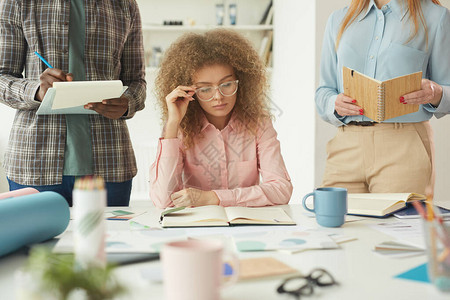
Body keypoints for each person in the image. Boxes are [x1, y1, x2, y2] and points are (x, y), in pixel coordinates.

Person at [0, 0, 146, 206]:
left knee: (108, 239)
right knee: (37, 240)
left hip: (110, 163)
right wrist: (37, 91)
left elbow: (137, 82)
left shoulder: (125, 5)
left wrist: (127, 103)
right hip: (34, 164)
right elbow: (2, 76)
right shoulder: (19, 2)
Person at [316, 0, 449, 194]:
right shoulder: (339, 19)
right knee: (335, 222)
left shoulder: (436, 17)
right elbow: (324, 91)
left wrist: (436, 93)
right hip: (345, 146)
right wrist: (333, 103)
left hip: (404, 147)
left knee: (399, 224)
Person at [150, 29, 292, 208]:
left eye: (226, 84)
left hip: (246, 225)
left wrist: (214, 198)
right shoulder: (179, 129)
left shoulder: (259, 124)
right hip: (199, 226)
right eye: (205, 89)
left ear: (241, 82)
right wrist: (172, 124)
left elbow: (281, 190)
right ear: (189, 91)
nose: (218, 96)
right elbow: (163, 201)